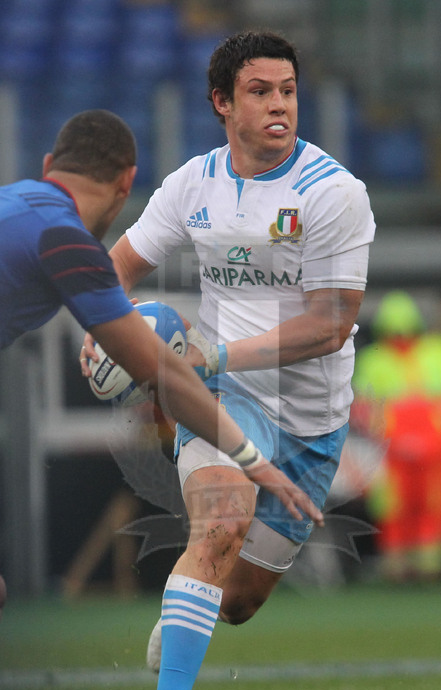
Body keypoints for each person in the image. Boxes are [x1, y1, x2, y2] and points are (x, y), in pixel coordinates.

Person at [80, 32, 375, 690]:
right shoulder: (194, 183)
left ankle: (188, 608)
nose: (279, 105)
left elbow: (330, 325)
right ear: (222, 103)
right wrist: (99, 327)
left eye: (288, 91)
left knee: (237, 599)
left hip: (312, 418)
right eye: (260, 91)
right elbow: (116, 267)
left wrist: (215, 355)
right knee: (218, 527)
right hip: (224, 396)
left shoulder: (333, 192)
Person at [0, 109, 324, 612]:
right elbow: (166, 372)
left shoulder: (15, 201)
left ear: (47, 166)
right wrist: (254, 461)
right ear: (127, 183)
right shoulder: (65, 240)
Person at [352, 291, 441, 581]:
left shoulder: (431, 352)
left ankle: (426, 563)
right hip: (400, 450)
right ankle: (403, 564)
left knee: (431, 504)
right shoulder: (423, 353)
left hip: (429, 448)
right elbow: (362, 408)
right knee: (396, 507)